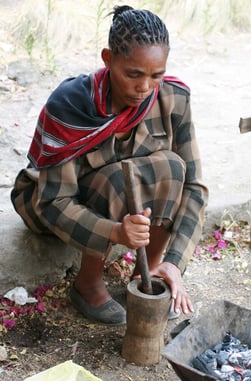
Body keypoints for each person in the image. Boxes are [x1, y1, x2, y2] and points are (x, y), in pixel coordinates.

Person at [11, 5, 208, 326]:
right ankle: (88, 284)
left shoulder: (174, 99)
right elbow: (53, 202)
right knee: (119, 178)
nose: (145, 87)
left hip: (125, 206)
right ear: (108, 59)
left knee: (173, 167)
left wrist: (175, 261)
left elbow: (195, 186)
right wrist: (116, 232)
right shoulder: (71, 104)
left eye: (156, 75)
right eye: (133, 74)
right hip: (50, 203)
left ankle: (150, 273)